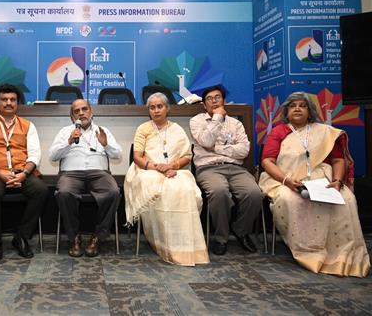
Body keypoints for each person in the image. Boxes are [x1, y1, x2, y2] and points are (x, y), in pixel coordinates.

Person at [259, 91, 370, 277]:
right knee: (291, 200)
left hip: (322, 180)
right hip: (285, 179)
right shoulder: (279, 131)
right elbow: (267, 161)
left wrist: (336, 181)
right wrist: (286, 180)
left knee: (347, 199)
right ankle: (307, 250)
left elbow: (338, 160)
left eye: (302, 106)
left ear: (309, 111)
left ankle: (341, 254)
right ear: (286, 111)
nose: (297, 109)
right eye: (293, 106)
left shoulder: (324, 131)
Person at [124, 93, 209, 266]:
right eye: (152, 107)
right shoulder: (143, 129)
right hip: (147, 170)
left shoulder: (177, 129)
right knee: (161, 190)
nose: (156, 110)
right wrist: (157, 167)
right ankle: (164, 243)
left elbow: (187, 156)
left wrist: (172, 167)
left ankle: (187, 247)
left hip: (175, 170)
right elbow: (138, 157)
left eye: (159, 106)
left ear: (167, 108)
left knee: (184, 190)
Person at [0, 84, 47, 261]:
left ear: (18, 103)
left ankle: (21, 237)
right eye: (4, 99)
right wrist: (2, 175)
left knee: (40, 190)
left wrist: (23, 174)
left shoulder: (28, 126)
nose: (9, 103)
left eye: (12, 100)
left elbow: (35, 154)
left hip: (22, 171)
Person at [189, 85, 263, 255]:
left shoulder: (235, 123)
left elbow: (244, 150)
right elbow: (206, 141)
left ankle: (241, 230)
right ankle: (221, 237)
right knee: (219, 191)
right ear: (203, 104)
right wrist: (216, 119)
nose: (214, 101)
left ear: (224, 101)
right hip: (208, 168)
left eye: (218, 97)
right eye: (210, 98)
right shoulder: (196, 121)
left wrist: (218, 149)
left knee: (254, 193)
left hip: (236, 168)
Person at [49, 99, 122, 257]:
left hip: (99, 173)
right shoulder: (65, 132)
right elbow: (53, 156)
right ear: (72, 116)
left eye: (84, 109)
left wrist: (106, 144)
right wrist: (68, 141)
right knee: (64, 193)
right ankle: (74, 238)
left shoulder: (103, 131)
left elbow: (118, 155)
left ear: (91, 112)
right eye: (76, 111)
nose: (81, 113)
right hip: (71, 173)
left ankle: (98, 237)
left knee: (113, 192)